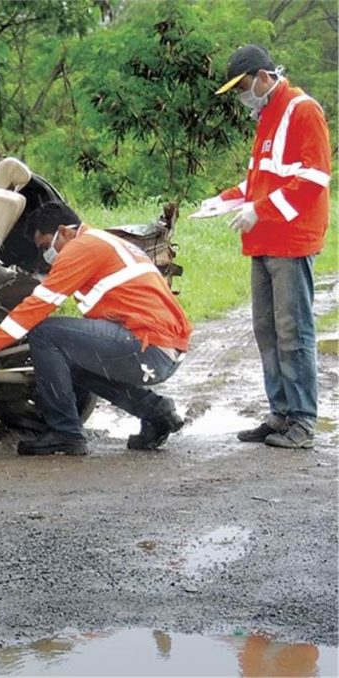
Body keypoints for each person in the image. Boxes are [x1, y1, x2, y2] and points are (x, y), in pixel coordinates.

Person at [0, 202, 193, 456]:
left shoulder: (81, 247)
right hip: (162, 347)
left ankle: (65, 433)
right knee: (69, 358)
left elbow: (38, 306)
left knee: (45, 333)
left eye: (45, 246)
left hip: (148, 345)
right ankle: (156, 412)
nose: (46, 255)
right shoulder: (99, 241)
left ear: (64, 231)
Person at [202, 44, 331, 449]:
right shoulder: (267, 116)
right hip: (263, 241)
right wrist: (225, 199)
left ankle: (303, 420)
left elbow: (314, 178)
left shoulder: (301, 110)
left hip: (291, 241)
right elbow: (261, 180)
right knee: (266, 331)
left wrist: (261, 210)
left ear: (262, 76)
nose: (242, 95)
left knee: (293, 332)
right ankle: (280, 413)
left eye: (243, 86)